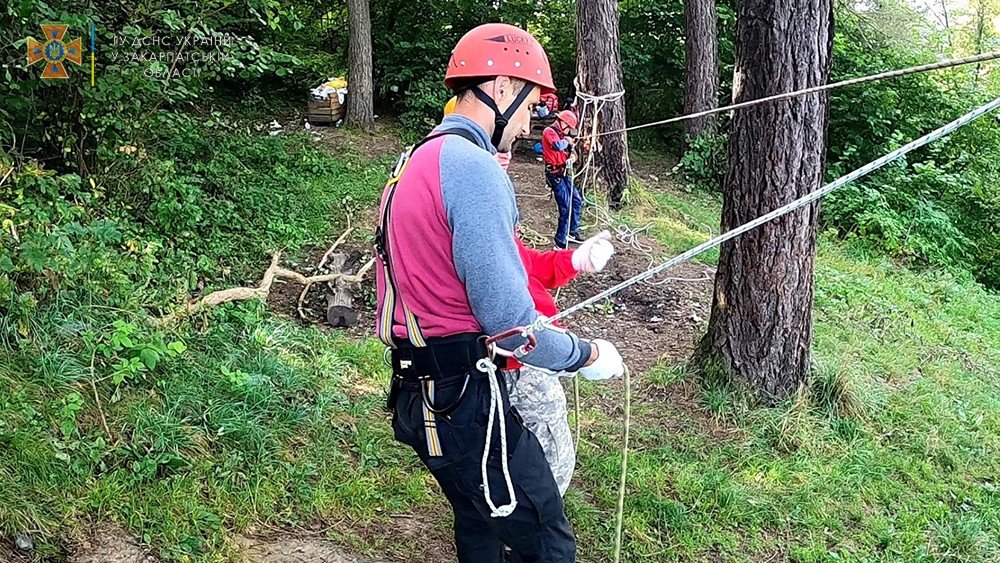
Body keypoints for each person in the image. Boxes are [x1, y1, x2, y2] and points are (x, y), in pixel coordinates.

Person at [376, 23, 625, 563]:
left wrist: (571, 262)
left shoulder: (418, 160)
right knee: (546, 538)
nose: (530, 123)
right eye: (532, 104)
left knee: (480, 522)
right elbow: (512, 324)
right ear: (504, 88)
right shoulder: (473, 170)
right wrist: (583, 355)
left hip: (427, 396)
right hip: (463, 402)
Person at [444, 96, 615, 496]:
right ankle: (531, 530)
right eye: (494, 149)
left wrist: (575, 260)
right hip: (515, 360)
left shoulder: (486, 209)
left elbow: (525, 266)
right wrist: (581, 355)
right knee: (549, 460)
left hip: (523, 350)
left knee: (513, 455)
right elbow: (500, 308)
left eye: (505, 152)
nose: (503, 157)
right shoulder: (471, 204)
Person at [542, 110, 583, 249]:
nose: (568, 131)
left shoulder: (561, 135)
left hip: (563, 171)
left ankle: (572, 231)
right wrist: (567, 141)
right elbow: (557, 146)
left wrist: (572, 153)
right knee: (565, 207)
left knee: (576, 200)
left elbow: (567, 150)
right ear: (562, 123)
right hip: (555, 174)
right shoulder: (549, 132)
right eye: (568, 128)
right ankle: (560, 241)